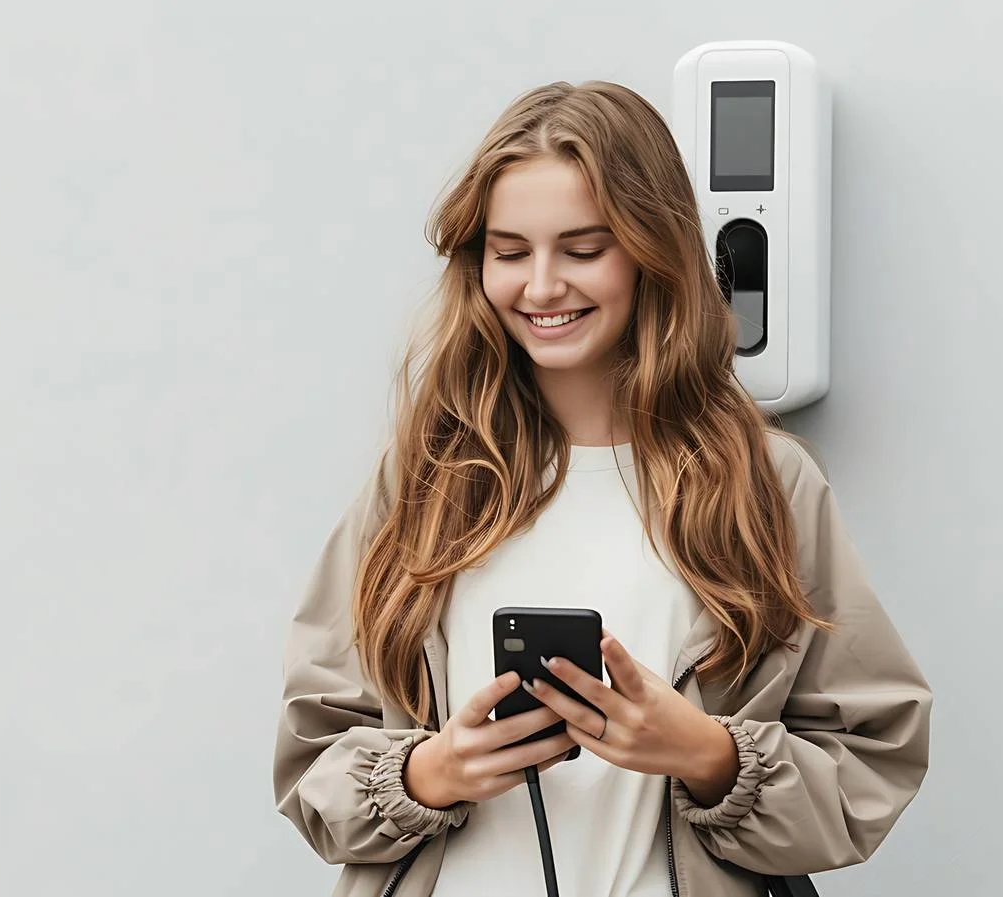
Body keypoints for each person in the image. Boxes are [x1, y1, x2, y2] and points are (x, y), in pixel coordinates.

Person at [272, 80, 932, 897]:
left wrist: (709, 756)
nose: (542, 286)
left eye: (583, 250)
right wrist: (429, 772)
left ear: (653, 250)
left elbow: (875, 750)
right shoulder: (424, 478)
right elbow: (314, 748)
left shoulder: (764, 482)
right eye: (510, 252)